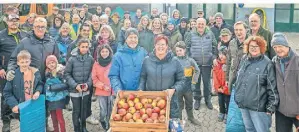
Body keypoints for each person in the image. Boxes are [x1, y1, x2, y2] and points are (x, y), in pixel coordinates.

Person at [234, 36, 278, 132]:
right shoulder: (244, 59)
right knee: (249, 129)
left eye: (256, 46)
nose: (253, 48)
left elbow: (272, 88)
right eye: (251, 46)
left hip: (259, 108)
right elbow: (238, 79)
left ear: (261, 48)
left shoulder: (267, 63)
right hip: (244, 105)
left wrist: (271, 107)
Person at [138, 34, 183, 119]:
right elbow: (143, 77)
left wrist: (174, 89)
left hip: (169, 100)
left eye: (163, 44)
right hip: (151, 101)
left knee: (170, 125)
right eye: (158, 44)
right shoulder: (147, 60)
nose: (160, 47)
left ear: (167, 46)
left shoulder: (175, 61)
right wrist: (140, 89)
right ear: (154, 45)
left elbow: (182, 79)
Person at [0, 14, 28, 132]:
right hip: (6, 71)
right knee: (6, 96)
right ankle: (6, 122)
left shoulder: (25, 35)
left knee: (23, 93)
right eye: (12, 20)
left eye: (16, 20)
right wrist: (0, 67)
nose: (14, 23)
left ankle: (20, 116)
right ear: (7, 21)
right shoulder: (1, 35)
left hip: (23, 70)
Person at [3, 50, 43, 130]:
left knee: (35, 125)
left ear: (30, 61)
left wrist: (38, 92)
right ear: (18, 63)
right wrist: (14, 104)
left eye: (26, 61)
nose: (24, 64)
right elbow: (7, 92)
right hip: (22, 107)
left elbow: (40, 84)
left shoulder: (35, 72)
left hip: (33, 104)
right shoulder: (13, 75)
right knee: (26, 126)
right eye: (22, 62)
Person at [184, 18, 217, 110]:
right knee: (196, 83)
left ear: (205, 24)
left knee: (207, 83)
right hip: (195, 65)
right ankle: (197, 100)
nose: (200, 26)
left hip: (207, 64)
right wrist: (189, 60)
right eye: (199, 24)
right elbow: (186, 48)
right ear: (196, 24)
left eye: (202, 24)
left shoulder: (210, 34)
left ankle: (208, 100)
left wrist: (214, 57)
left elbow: (215, 46)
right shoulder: (191, 34)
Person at [271, 33, 299, 132]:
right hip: (282, 111)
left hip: (297, 111)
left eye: (280, 46)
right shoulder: (274, 61)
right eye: (275, 47)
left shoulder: (297, 60)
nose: (278, 49)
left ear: (287, 46)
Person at [65, 39, 94, 132]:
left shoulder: (90, 59)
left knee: (84, 109)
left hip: (85, 89)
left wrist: (88, 84)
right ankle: (77, 129)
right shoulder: (72, 59)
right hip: (75, 90)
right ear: (78, 47)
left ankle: (83, 127)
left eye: (86, 47)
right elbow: (67, 74)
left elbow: (92, 74)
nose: (84, 49)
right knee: (77, 110)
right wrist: (75, 85)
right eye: (83, 47)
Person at [109, 28, 147, 95]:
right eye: (130, 37)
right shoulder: (118, 56)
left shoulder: (143, 52)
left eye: (135, 37)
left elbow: (146, 72)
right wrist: (118, 89)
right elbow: (113, 75)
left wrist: (141, 87)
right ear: (126, 39)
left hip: (141, 93)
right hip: (124, 93)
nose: (133, 40)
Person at [225, 21, 248, 132]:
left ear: (246, 30)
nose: (238, 32)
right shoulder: (232, 43)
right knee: (235, 112)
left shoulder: (251, 43)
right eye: (236, 30)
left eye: (241, 30)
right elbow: (228, 62)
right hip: (234, 82)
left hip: (247, 84)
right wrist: (226, 79)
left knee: (246, 112)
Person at [174, 41, 200, 125]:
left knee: (189, 102)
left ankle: (191, 117)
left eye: (180, 50)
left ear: (184, 50)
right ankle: (179, 119)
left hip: (188, 87)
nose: (178, 52)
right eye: (177, 51)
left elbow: (197, 70)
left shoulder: (190, 61)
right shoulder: (174, 61)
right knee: (179, 104)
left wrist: (193, 82)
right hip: (178, 87)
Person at [92, 44, 114, 131]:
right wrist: (102, 86)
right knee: (103, 109)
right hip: (101, 91)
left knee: (111, 109)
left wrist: (113, 86)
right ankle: (102, 120)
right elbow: (94, 79)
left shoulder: (113, 62)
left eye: (106, 51)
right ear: (99, 53)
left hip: (111, 90)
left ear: (110, 52)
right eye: (102, 51)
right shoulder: (96, 64)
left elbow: (115, 75)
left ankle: (109, 125)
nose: (104, 53)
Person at [44, 55, 68, 132]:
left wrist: (51, 88)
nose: (51, 64)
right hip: (50, 99)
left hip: (58, 98)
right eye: (49, 63)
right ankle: (56, 130)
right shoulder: (46, 73)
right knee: (53, 118)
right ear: (47, 65)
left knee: (60, 117)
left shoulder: (60, 72)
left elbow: (65, 85)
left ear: (56, 62)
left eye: (53, 62)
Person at [213, 46, 230, 123]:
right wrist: (218, 87)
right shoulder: (216, 63)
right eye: (220, 54)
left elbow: (230, 78)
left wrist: (225, 88)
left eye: (224, 54)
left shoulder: (229, 64)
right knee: (220, 100)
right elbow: (215, 77)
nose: (221, 56)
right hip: (219, 88)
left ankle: (227, 113)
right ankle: (221, 112)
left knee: (227, 101)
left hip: (226, 88)